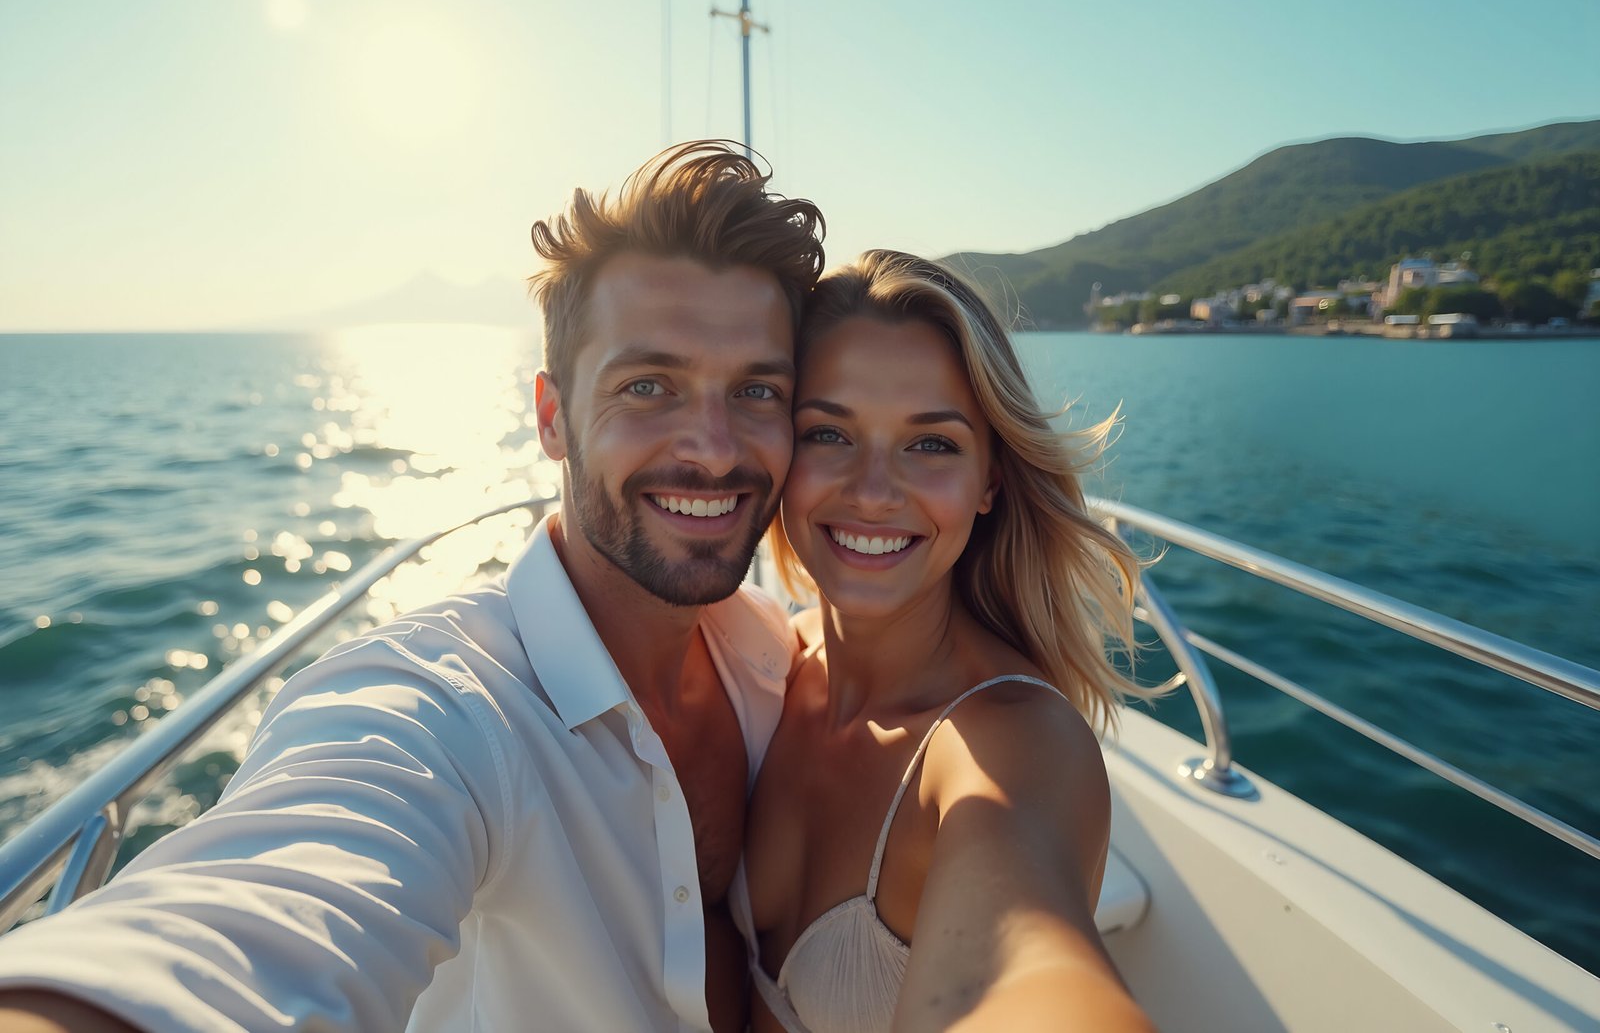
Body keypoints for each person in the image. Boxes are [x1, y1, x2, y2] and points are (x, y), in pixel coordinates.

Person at [0, 141, 825, 1033]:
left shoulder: (776, 663)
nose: (711, 447)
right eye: (649, 385)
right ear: (553, 418)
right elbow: (258, 915)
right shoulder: (446, 709)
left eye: (754, 390)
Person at [739, 251, 1158, 1032]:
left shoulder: (1016, 746)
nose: (872, 490)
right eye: (828, 431)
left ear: (990, 480)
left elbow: (1033, 974)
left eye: (930, 444)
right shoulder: (769, 659)